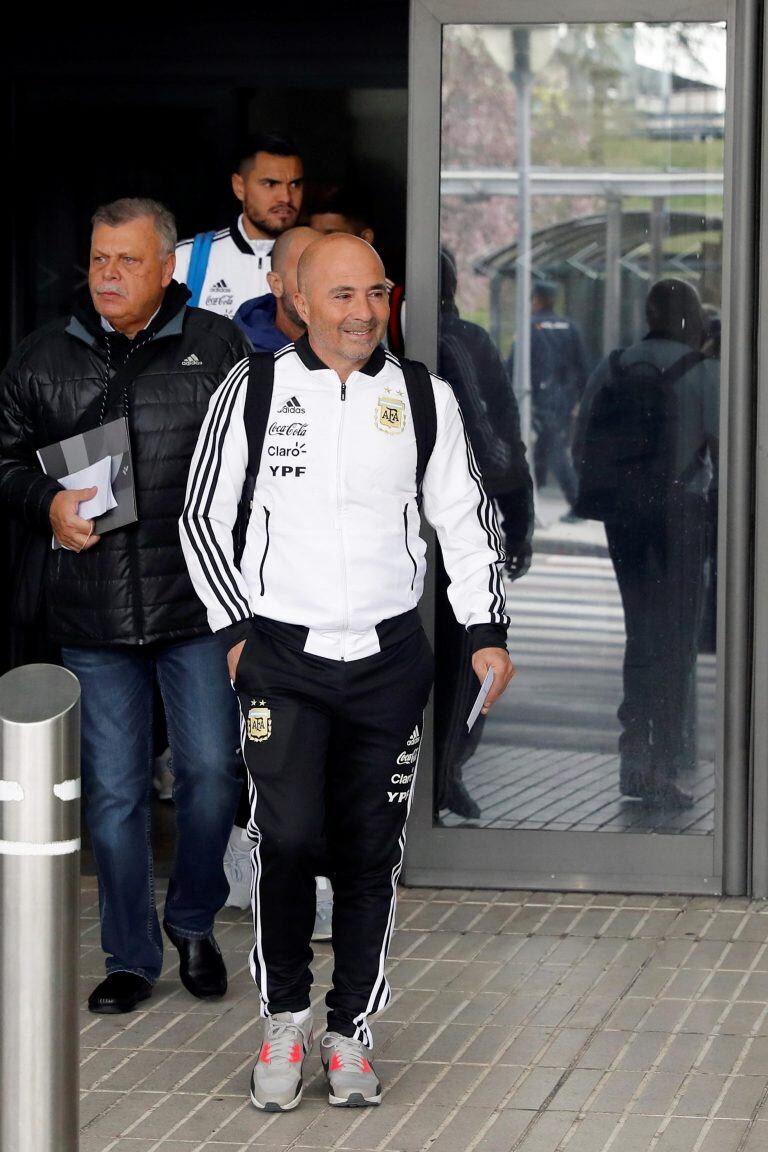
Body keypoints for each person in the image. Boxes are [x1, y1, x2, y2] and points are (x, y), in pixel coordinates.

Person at [180, 233, 515, 1111]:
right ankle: (284, 1018)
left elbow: (466, 517)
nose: (363, 312)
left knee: (371, 853)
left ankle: (348, 1031)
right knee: (285, 841)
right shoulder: (252, 391)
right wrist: (239, 633)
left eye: (376, 293)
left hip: (387, 662)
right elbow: (202, 517)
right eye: (342, 295)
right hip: (281, 663)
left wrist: (483, 626)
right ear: (297, 299)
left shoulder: (422, 397)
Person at [0, 198, 251, 1014]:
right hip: (93, 612)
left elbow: (258, 477)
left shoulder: (217, 349)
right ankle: (130, 957)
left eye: (128, 261)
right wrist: (45, 504)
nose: (108, 274)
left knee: (212, 777)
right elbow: (4, 463)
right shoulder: (41, 356)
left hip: (197, 603)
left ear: (169, 266)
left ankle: (191, 923)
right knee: (113, 793)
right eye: (100, 259)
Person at [573, 278, 719, 809]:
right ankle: (666, 762)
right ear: (691, 317)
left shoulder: (613, 366)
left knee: (641, 633)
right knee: (676, 640)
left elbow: (580, 442)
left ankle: (633, 758)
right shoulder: (704, 373)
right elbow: (728, 457)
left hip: (625, 518)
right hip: (681, 514)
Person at [227, 226, 335, 943]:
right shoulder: (236, 359)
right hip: (258, 593)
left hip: (341, 598)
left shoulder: (370, 366)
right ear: (279, 285)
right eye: (306, 272)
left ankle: (321, 882)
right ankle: (260, 868)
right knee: (261, 749)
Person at [435, 247, 533, 819]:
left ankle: (443, 771)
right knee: (462, 656)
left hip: (453, 520)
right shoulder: (457, 339)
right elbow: (499, 438)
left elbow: (496, 432)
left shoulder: (452, 341)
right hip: (460, 518)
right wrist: (517, 517)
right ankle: (444, 771)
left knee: (461, 652)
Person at [175, 131, 304, 318]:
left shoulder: (322, 259)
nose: (285, 197)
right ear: (239, 186)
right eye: (270, 184)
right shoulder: (187, 258)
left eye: (295, 184)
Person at [510, 280, 588, 520]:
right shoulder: (570, 327)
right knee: (547, 447)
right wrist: (578, 399)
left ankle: (578, 503)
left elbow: (513, 364)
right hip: (564, 398)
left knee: (552, 451)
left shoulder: (530, 327)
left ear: (535, 300)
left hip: (539, 399)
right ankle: (532, 499)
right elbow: (583, 366)